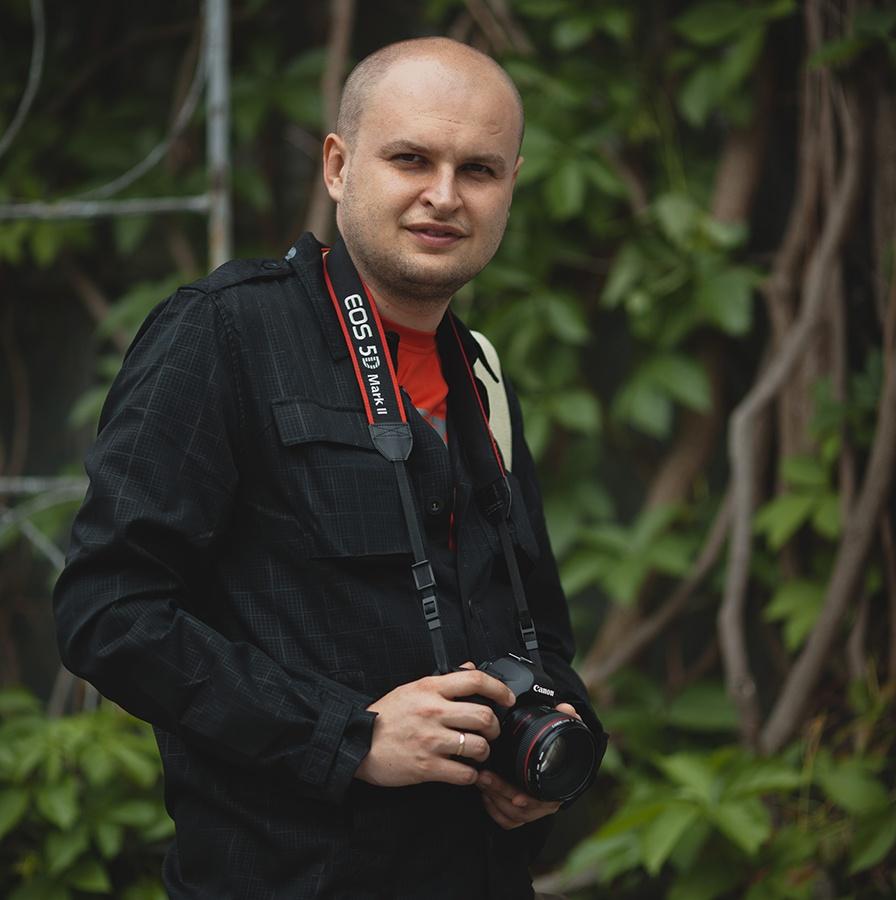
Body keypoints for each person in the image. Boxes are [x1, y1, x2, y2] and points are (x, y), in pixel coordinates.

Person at [54, 36, 603, 899]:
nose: (444, 195)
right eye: (411, 159)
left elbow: (543, 630)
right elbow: (107, 611)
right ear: (339, 166)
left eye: (479, 170)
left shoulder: (482, 371)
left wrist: (559, 733)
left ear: (511, 186)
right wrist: (348, 735)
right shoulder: (225, 334)